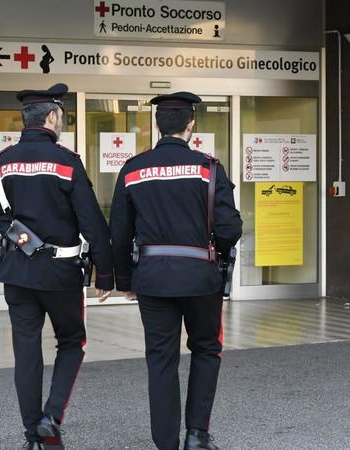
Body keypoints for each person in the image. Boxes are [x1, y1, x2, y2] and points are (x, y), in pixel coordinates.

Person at [0, 83, 114, 450]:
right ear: (51, 117)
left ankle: (33, 437)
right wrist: (106, 273)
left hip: (17, 275)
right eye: (60, 117)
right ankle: (52, 417)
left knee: (27, 351)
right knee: (72, 342)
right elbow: (92, 223)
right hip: (62, 276)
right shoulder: (67, 162)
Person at [109, 92, 242, 450]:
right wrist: (218, 256)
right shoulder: (209, 168)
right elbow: (230, 228)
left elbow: (118, 232)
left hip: (152, 278)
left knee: (161, 358)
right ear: (191, 125)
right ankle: (197, 435)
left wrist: (125, 280)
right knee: (205, 350)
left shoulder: (133, 169)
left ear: (156, 125)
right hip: (201, 277)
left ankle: (165, 442)